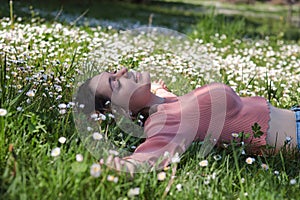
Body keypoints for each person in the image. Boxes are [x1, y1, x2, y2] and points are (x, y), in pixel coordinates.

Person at [76, 67, 299, 175]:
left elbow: (172, 101)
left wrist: (157, 90)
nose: (123, 71)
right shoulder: (163, 123)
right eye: (115, 83)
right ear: (122, 114)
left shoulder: (165, 103)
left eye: (114, 71)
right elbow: (146, 157)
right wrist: (102, 166)